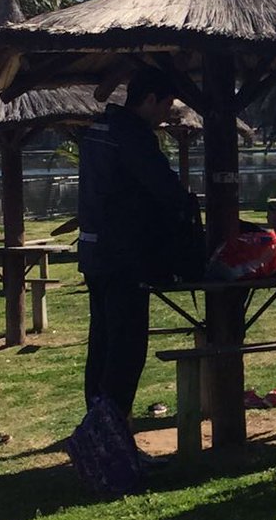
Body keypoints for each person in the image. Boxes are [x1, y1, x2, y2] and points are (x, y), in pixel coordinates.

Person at [78, 67, 198, 419]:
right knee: (125, 352)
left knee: (101, 347)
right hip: (123, 257)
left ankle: (100, 434)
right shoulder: (132, 136)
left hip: (94, 252)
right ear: (148, 100)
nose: (166, 116)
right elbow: (165, 189)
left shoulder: (98, 130)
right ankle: (113, 440)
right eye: (166, 106)